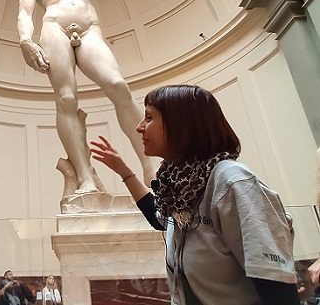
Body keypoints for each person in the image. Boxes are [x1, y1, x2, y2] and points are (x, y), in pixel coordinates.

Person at [90, 84, 299, 304]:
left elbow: (276, 285)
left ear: (180, 125)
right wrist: (124, 171)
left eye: (149, 117)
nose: (139, 127)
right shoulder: (179, 185)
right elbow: (158, 218)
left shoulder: (231, 182)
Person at [17, 0, 155, 193]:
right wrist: (24, 41)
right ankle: (84, 177)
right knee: (66, 99)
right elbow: (25, 11)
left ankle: (150, 163)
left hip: (90, 29)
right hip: (54, 28)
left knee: (118, 86)